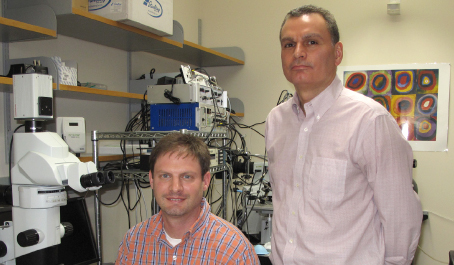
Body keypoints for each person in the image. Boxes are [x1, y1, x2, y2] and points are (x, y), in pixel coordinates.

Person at [265, 5, 422, 265]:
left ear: (337, 53)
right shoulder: (276, 121)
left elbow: (401, 218)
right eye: (288, 44)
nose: (298, 53)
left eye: (311, 42)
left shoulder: (370, 121)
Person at [115, 133, 259, 265]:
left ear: (205, 181)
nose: (175, 188)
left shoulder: (234, 250)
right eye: (165, 176)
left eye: (187, 176)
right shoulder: (133, 242)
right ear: (151, 179)